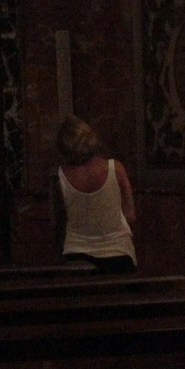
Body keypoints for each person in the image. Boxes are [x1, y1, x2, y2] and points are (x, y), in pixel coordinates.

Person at [52, 116, 138, 273]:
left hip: (76, 255)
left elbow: (58, 222)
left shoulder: (61, 177)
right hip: (118, 253)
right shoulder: (116, 169)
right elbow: (130, 215)